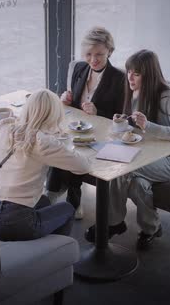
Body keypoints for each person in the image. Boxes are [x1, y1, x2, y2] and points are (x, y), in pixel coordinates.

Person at [85, 49, 170, 250]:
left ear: (149, 74)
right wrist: (120, 123)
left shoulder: (167, 95)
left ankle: (113, 222)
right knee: (138, 184)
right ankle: (151, 228)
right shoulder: (133, 92)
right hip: (148, 156)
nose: (130, 77)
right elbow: (134, 132)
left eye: (136, 73)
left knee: (123, 167)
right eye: (128, 72)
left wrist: (148, 126)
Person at [0, 89, 92, 241]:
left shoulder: (5, 128)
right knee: (67, 209)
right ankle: (53, 252)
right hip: (12, 221)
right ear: (53, 114)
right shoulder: (43, 142)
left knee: (45, 201)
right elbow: (83, 167)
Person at [46, 26, 125, 219]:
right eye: (89, 54)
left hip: (102, 136)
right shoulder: (79, 68)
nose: (93, 59)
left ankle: (70, 198)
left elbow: (121, 115)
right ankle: (54, 193)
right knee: (58, 143)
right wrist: (66, 99)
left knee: (75, 150)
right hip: (76, 128)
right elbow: (75, 103)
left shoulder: (119, 78)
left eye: (99, 54)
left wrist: (99, 112)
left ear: (110, 52)